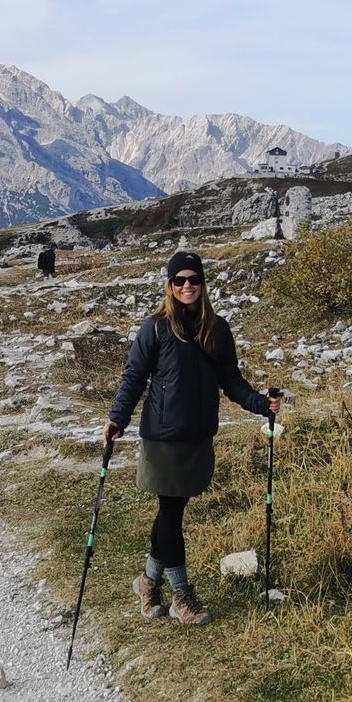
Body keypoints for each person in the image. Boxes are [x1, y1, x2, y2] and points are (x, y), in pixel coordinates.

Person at [106, 251, 277, 626]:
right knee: (170, 513)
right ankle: (181, 596)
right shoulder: (155, 328)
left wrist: (262, 404)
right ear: (169, 285)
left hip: (198, 438)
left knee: (172, 512)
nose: (187, 286)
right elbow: (134, 377)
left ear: (203, 284)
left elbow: (231, 382)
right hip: (163, 439)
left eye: (194, 280)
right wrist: (117, 419)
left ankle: (148, 582)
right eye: (179, 280)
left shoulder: (216, 329)